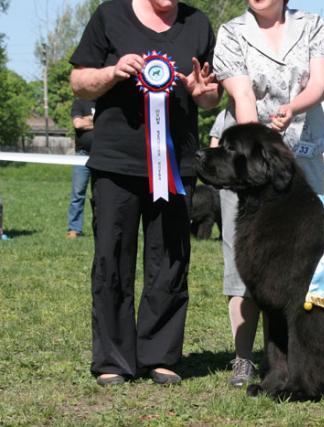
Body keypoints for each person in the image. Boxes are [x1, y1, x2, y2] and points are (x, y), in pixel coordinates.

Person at [69, 0, 221, 386]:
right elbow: (79, 80)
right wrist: (113, 72)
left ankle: (161, 355)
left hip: (176, 164)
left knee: (170, 259)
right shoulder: (109, 15)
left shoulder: (198, 24)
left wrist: (204, 93)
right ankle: (112, 360)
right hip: (116, 161)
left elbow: (210, 94)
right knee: (112, 259)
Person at [212, 0, 324, 387]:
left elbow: (319, 84)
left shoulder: (313, 25)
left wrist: (292, 107)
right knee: (244, 264)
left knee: (302, 270)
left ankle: (299, 363)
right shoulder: (232, 31)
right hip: (244, 160)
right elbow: (243, 96)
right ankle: (245, 360)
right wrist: (257, 145)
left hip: (301, 155)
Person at [66, 98, 95, 239]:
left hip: (103, 155)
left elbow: (111, 126)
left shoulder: (107, 102)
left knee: (102, 195)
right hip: (82, 154)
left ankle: (101, 226)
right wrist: (98, 122)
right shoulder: (80, 103)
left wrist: (88, 120)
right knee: (78, 193)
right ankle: (74, 228)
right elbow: (78, 124)